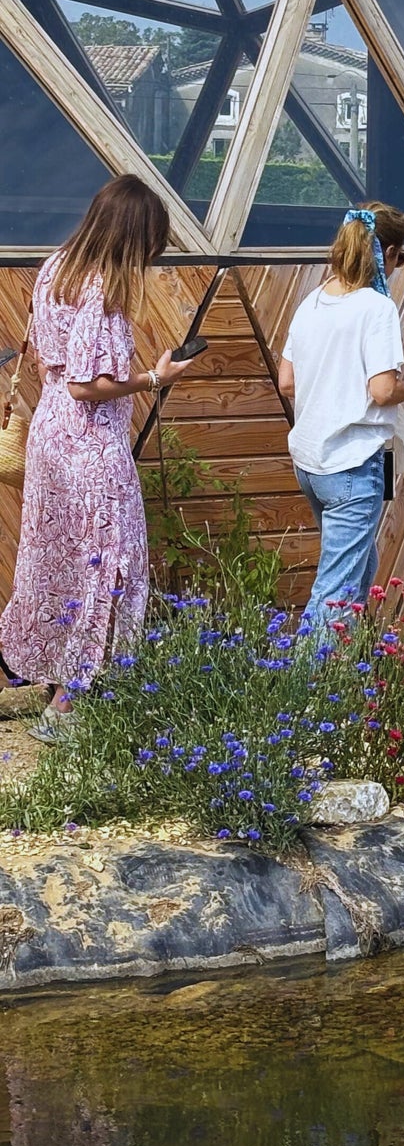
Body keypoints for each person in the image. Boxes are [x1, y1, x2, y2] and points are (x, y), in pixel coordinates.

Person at [0, 176, 200, 739]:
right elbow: (88, 385)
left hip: (50, 435)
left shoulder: (54, 268)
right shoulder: (101, 289)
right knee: (109, 562)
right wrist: (155, 378)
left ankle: (55, 682)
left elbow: (49, 364)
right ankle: (69, 706)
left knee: (58, 559)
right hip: (90, 445)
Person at [276, 204, 404, 631]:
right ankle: (307, 670)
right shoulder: (376, 308)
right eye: (400, 257)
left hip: (311, 461)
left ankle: (351, 656)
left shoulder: (313, 301)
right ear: (390, 253)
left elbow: (287, 382)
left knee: (359, 565)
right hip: (352, 462)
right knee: (335, 590)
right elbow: (382, 391)